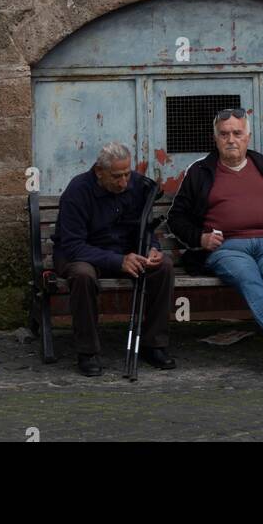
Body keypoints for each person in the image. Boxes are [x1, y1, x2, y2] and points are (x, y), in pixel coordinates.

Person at [167, 107, 263, 375]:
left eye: (237, 133)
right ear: (215, 138)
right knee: (248, 277)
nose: (231, 139)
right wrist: (201, 237)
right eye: (224, 134)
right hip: (228, 248)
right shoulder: (200, 172)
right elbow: (176, 217)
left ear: (248, 136)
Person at [53, 142, 176, 376]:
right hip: (84, 254)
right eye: (116, 176)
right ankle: (87, 352)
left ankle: (154, 345)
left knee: (163, 266)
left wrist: (152, 248)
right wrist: (117, 260)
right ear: (99, 172)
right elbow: (72, 245)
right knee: (82, 275)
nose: (123, 183)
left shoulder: (137, 186)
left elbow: (146, 227)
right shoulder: (77, 191)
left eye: (127, 174)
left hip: (125, 252)